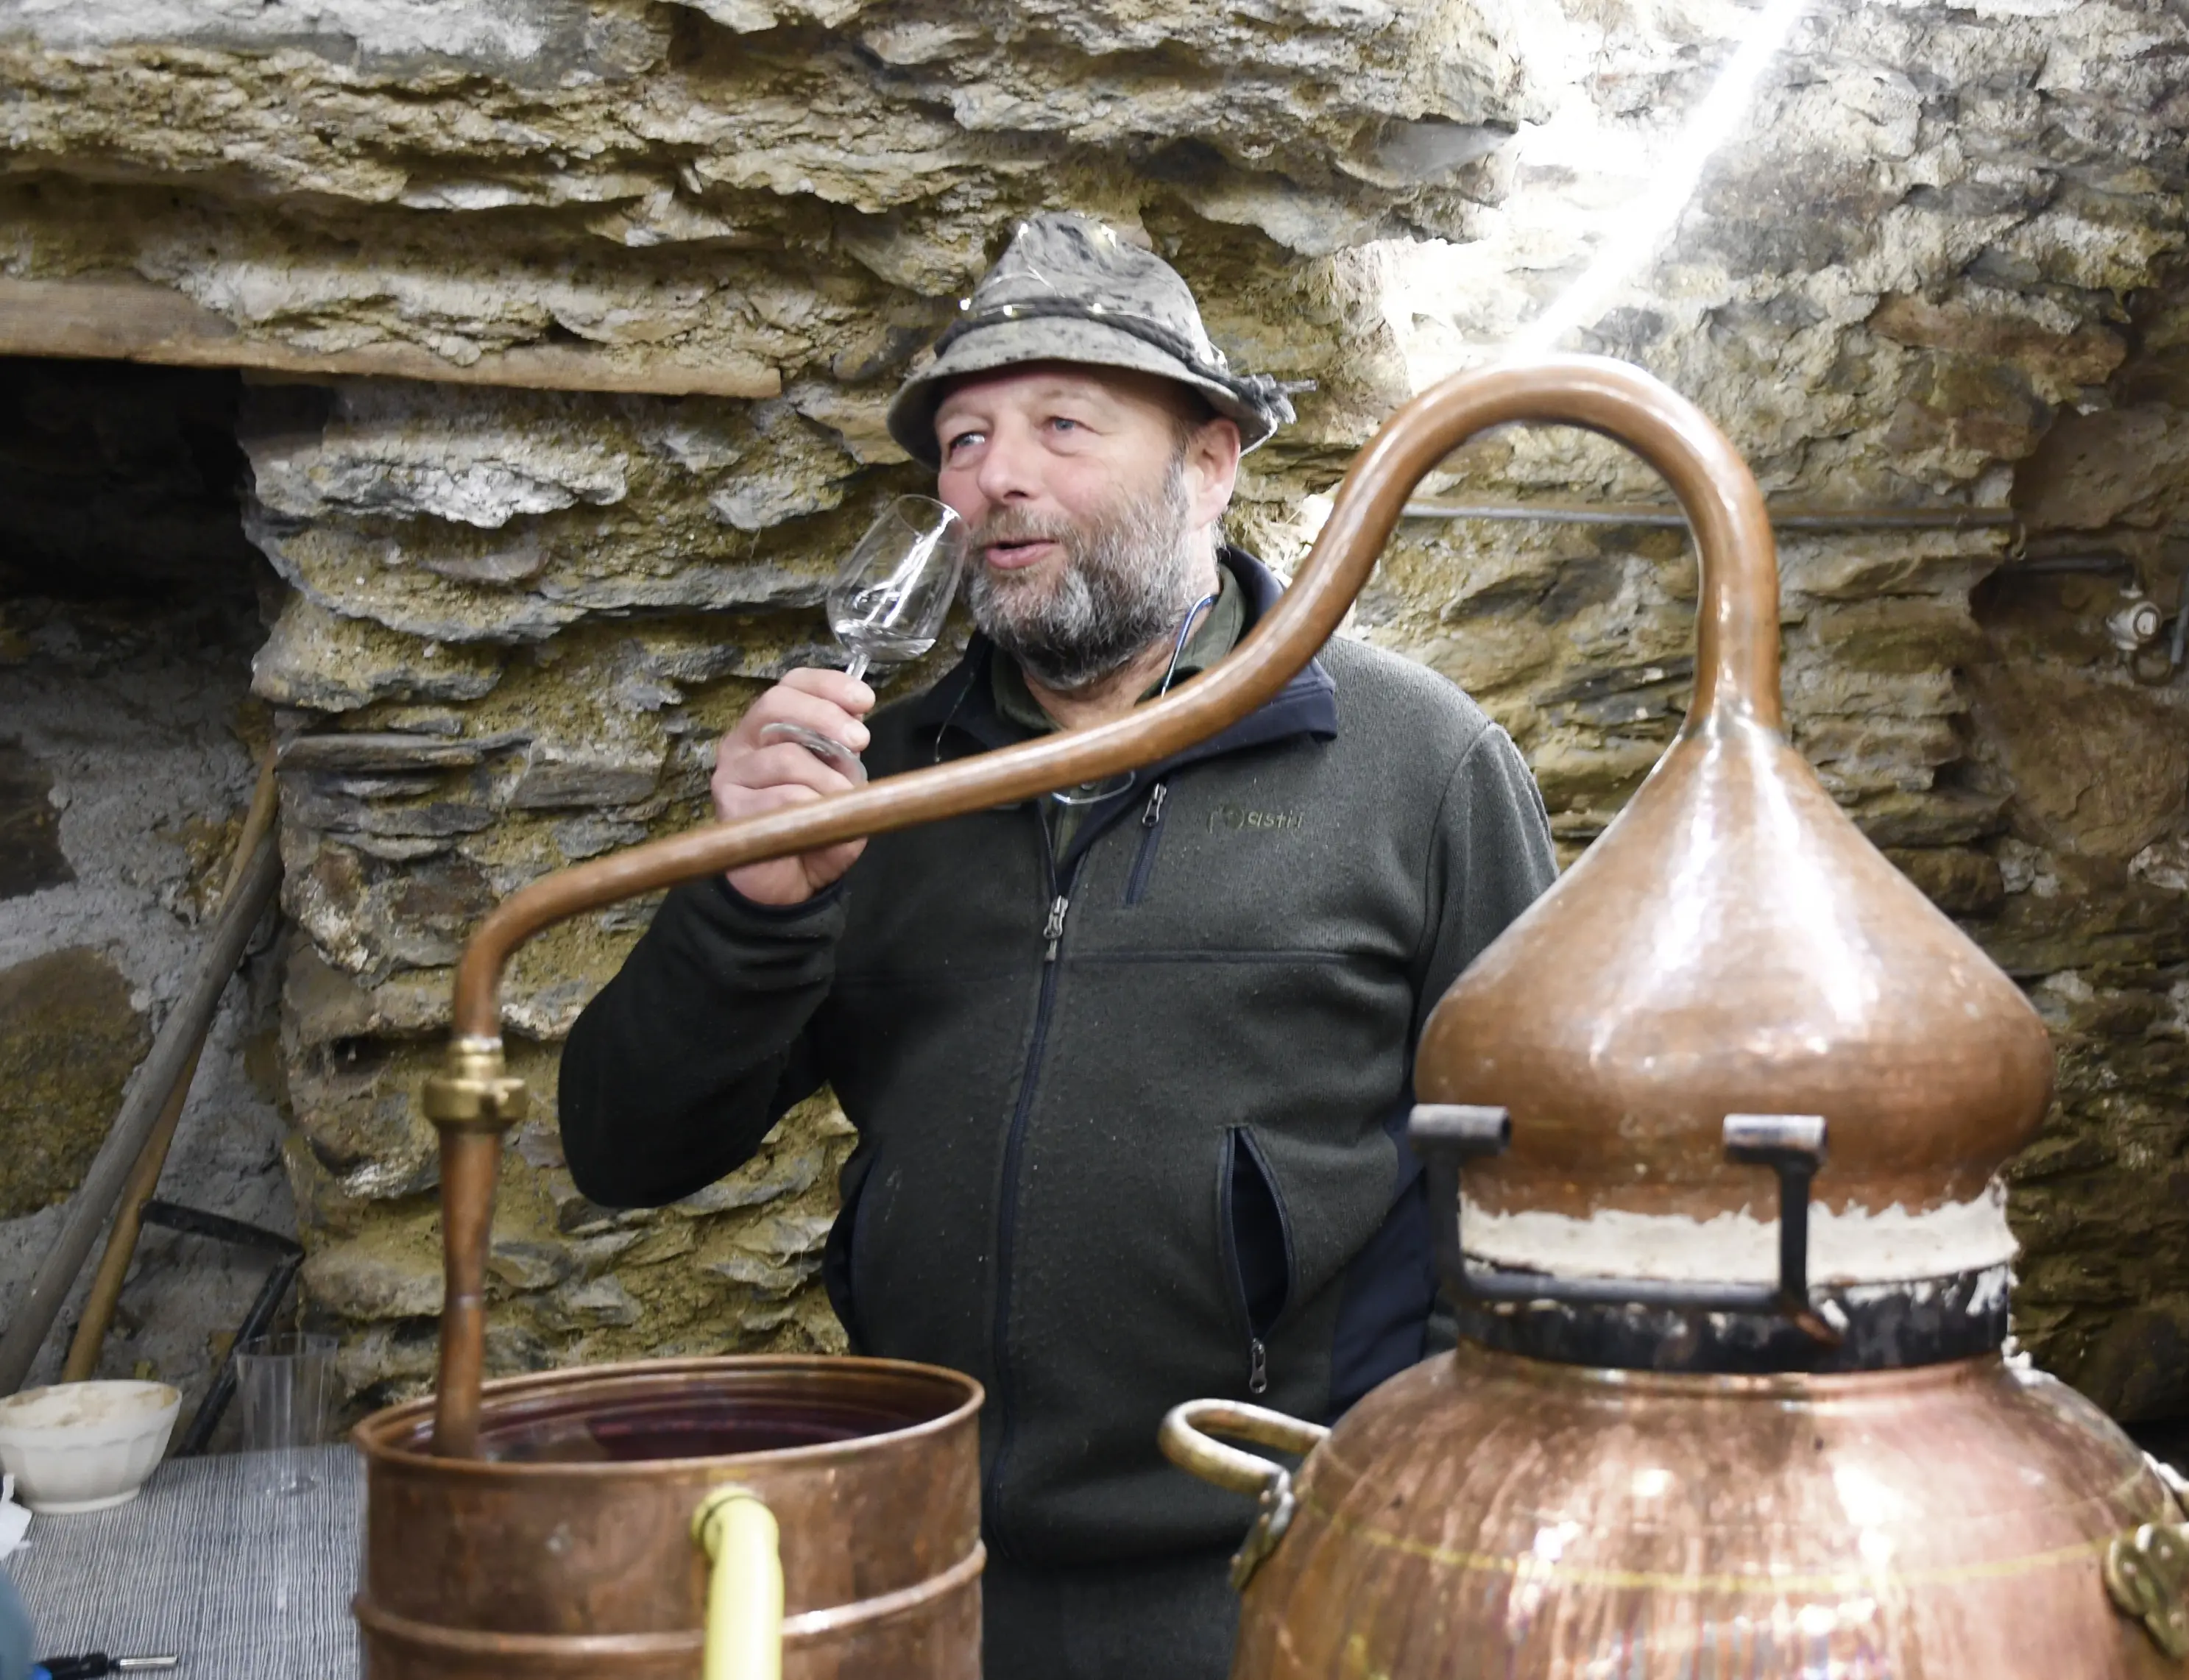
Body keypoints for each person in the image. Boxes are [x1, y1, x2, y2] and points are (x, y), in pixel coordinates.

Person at [559, 212, 1557, 1679]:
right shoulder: (875, 785)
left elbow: (1537, 1174)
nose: (994, 477)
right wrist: (746, 910)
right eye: (960, 441)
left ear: (1210, 459)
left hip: (1291, 1566)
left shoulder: (1418, 762)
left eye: (1060, 425)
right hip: (932, 1565)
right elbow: (623, 1143)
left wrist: (1469, 1528)